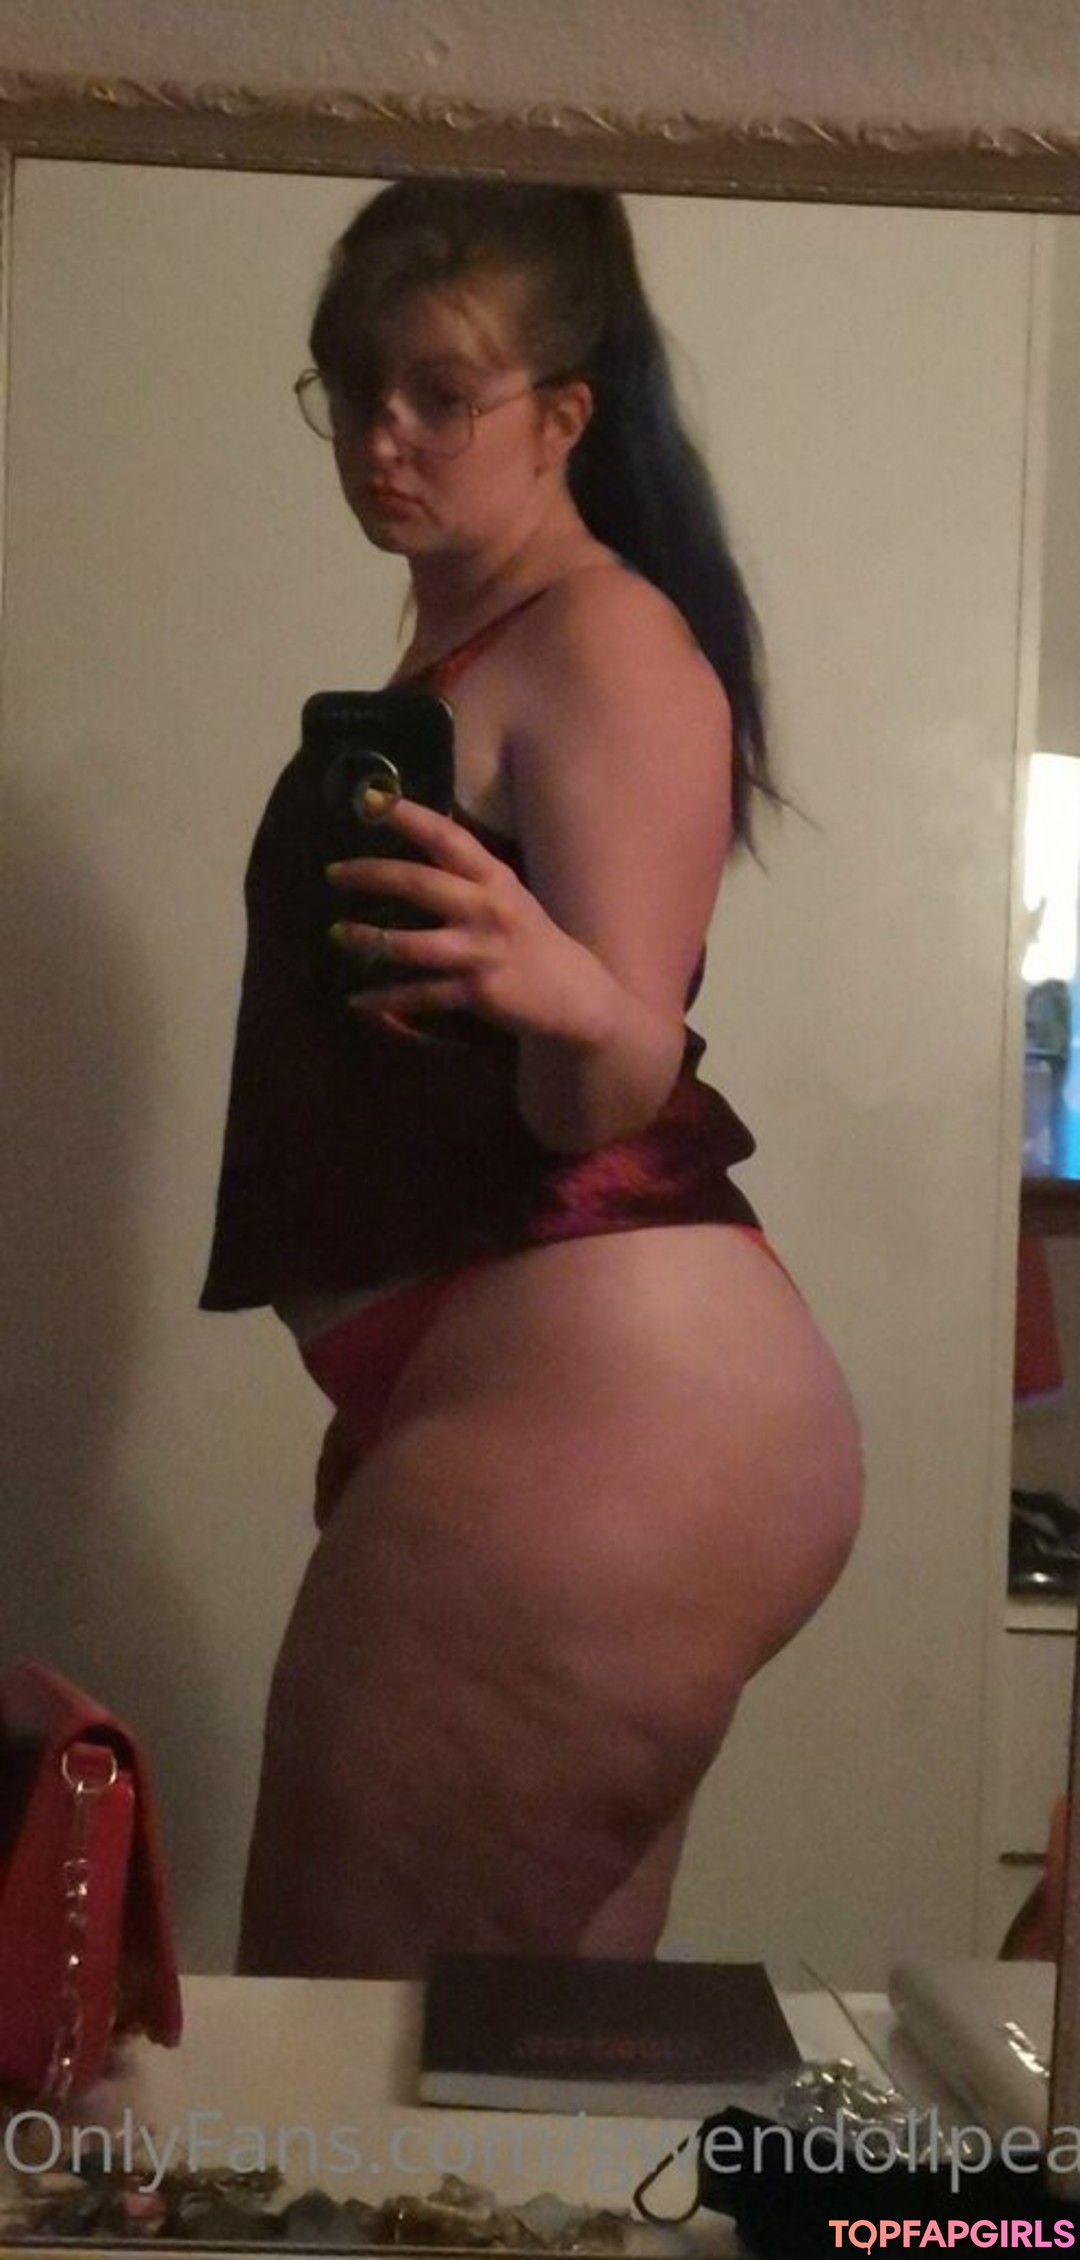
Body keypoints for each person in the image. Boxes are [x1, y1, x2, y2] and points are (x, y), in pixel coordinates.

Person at [201, 181, 863, 1976]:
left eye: (441, 394)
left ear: (564, 413)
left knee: (338, 2060)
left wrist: (569, 994)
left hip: (608, 1411)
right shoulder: (479, 646)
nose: (383, 439)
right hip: (544, 1401)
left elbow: (608, 1091)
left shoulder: (601, 637)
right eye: (354, 391)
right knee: (508, 2083)